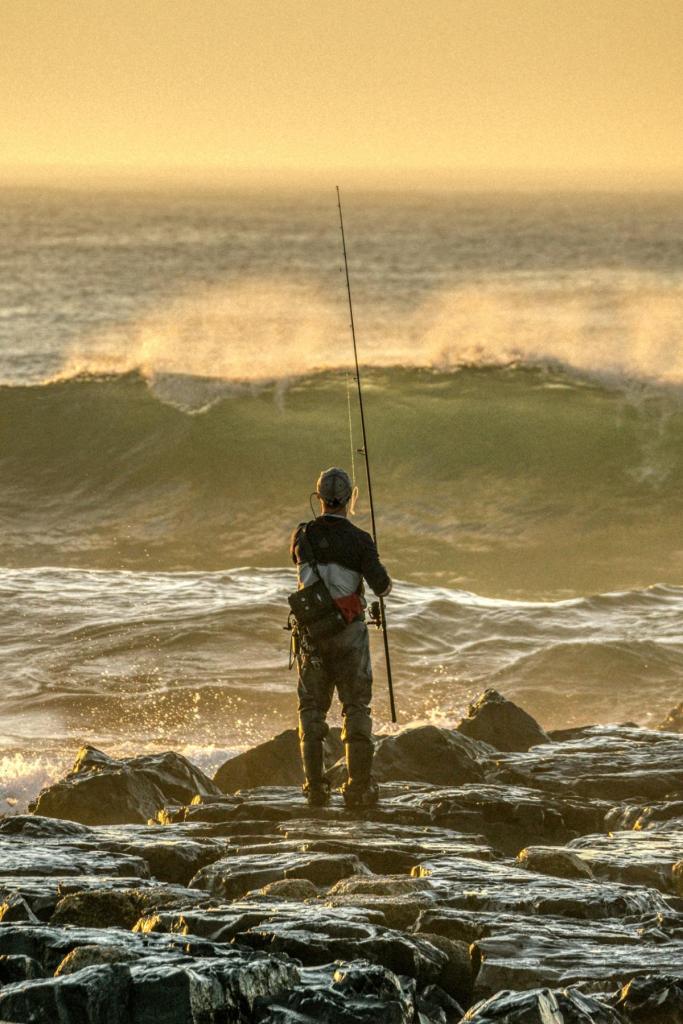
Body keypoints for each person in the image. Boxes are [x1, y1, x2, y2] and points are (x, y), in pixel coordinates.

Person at [289, 467, 392, 809]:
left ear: (318, 499)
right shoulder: (361, 540)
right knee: (356, 707)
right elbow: (383, 587)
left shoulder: (301, 537)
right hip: (349, 633)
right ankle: (358, 788)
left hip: (312, 636)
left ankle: (316, 789)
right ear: (350, 499)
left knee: (312, 710)